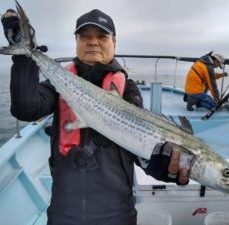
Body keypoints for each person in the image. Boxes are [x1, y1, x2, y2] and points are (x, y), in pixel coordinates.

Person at [1, 8, 190, 225]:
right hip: (64, 212)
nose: (93, 42)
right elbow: (26, 108)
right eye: (85, 36)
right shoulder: (59, 82)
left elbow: (141, 149)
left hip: (116, 214)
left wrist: (170, 170)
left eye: (102, 36)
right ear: (77, 43)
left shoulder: (127, 90)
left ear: (114, 44)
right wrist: (24, 58)